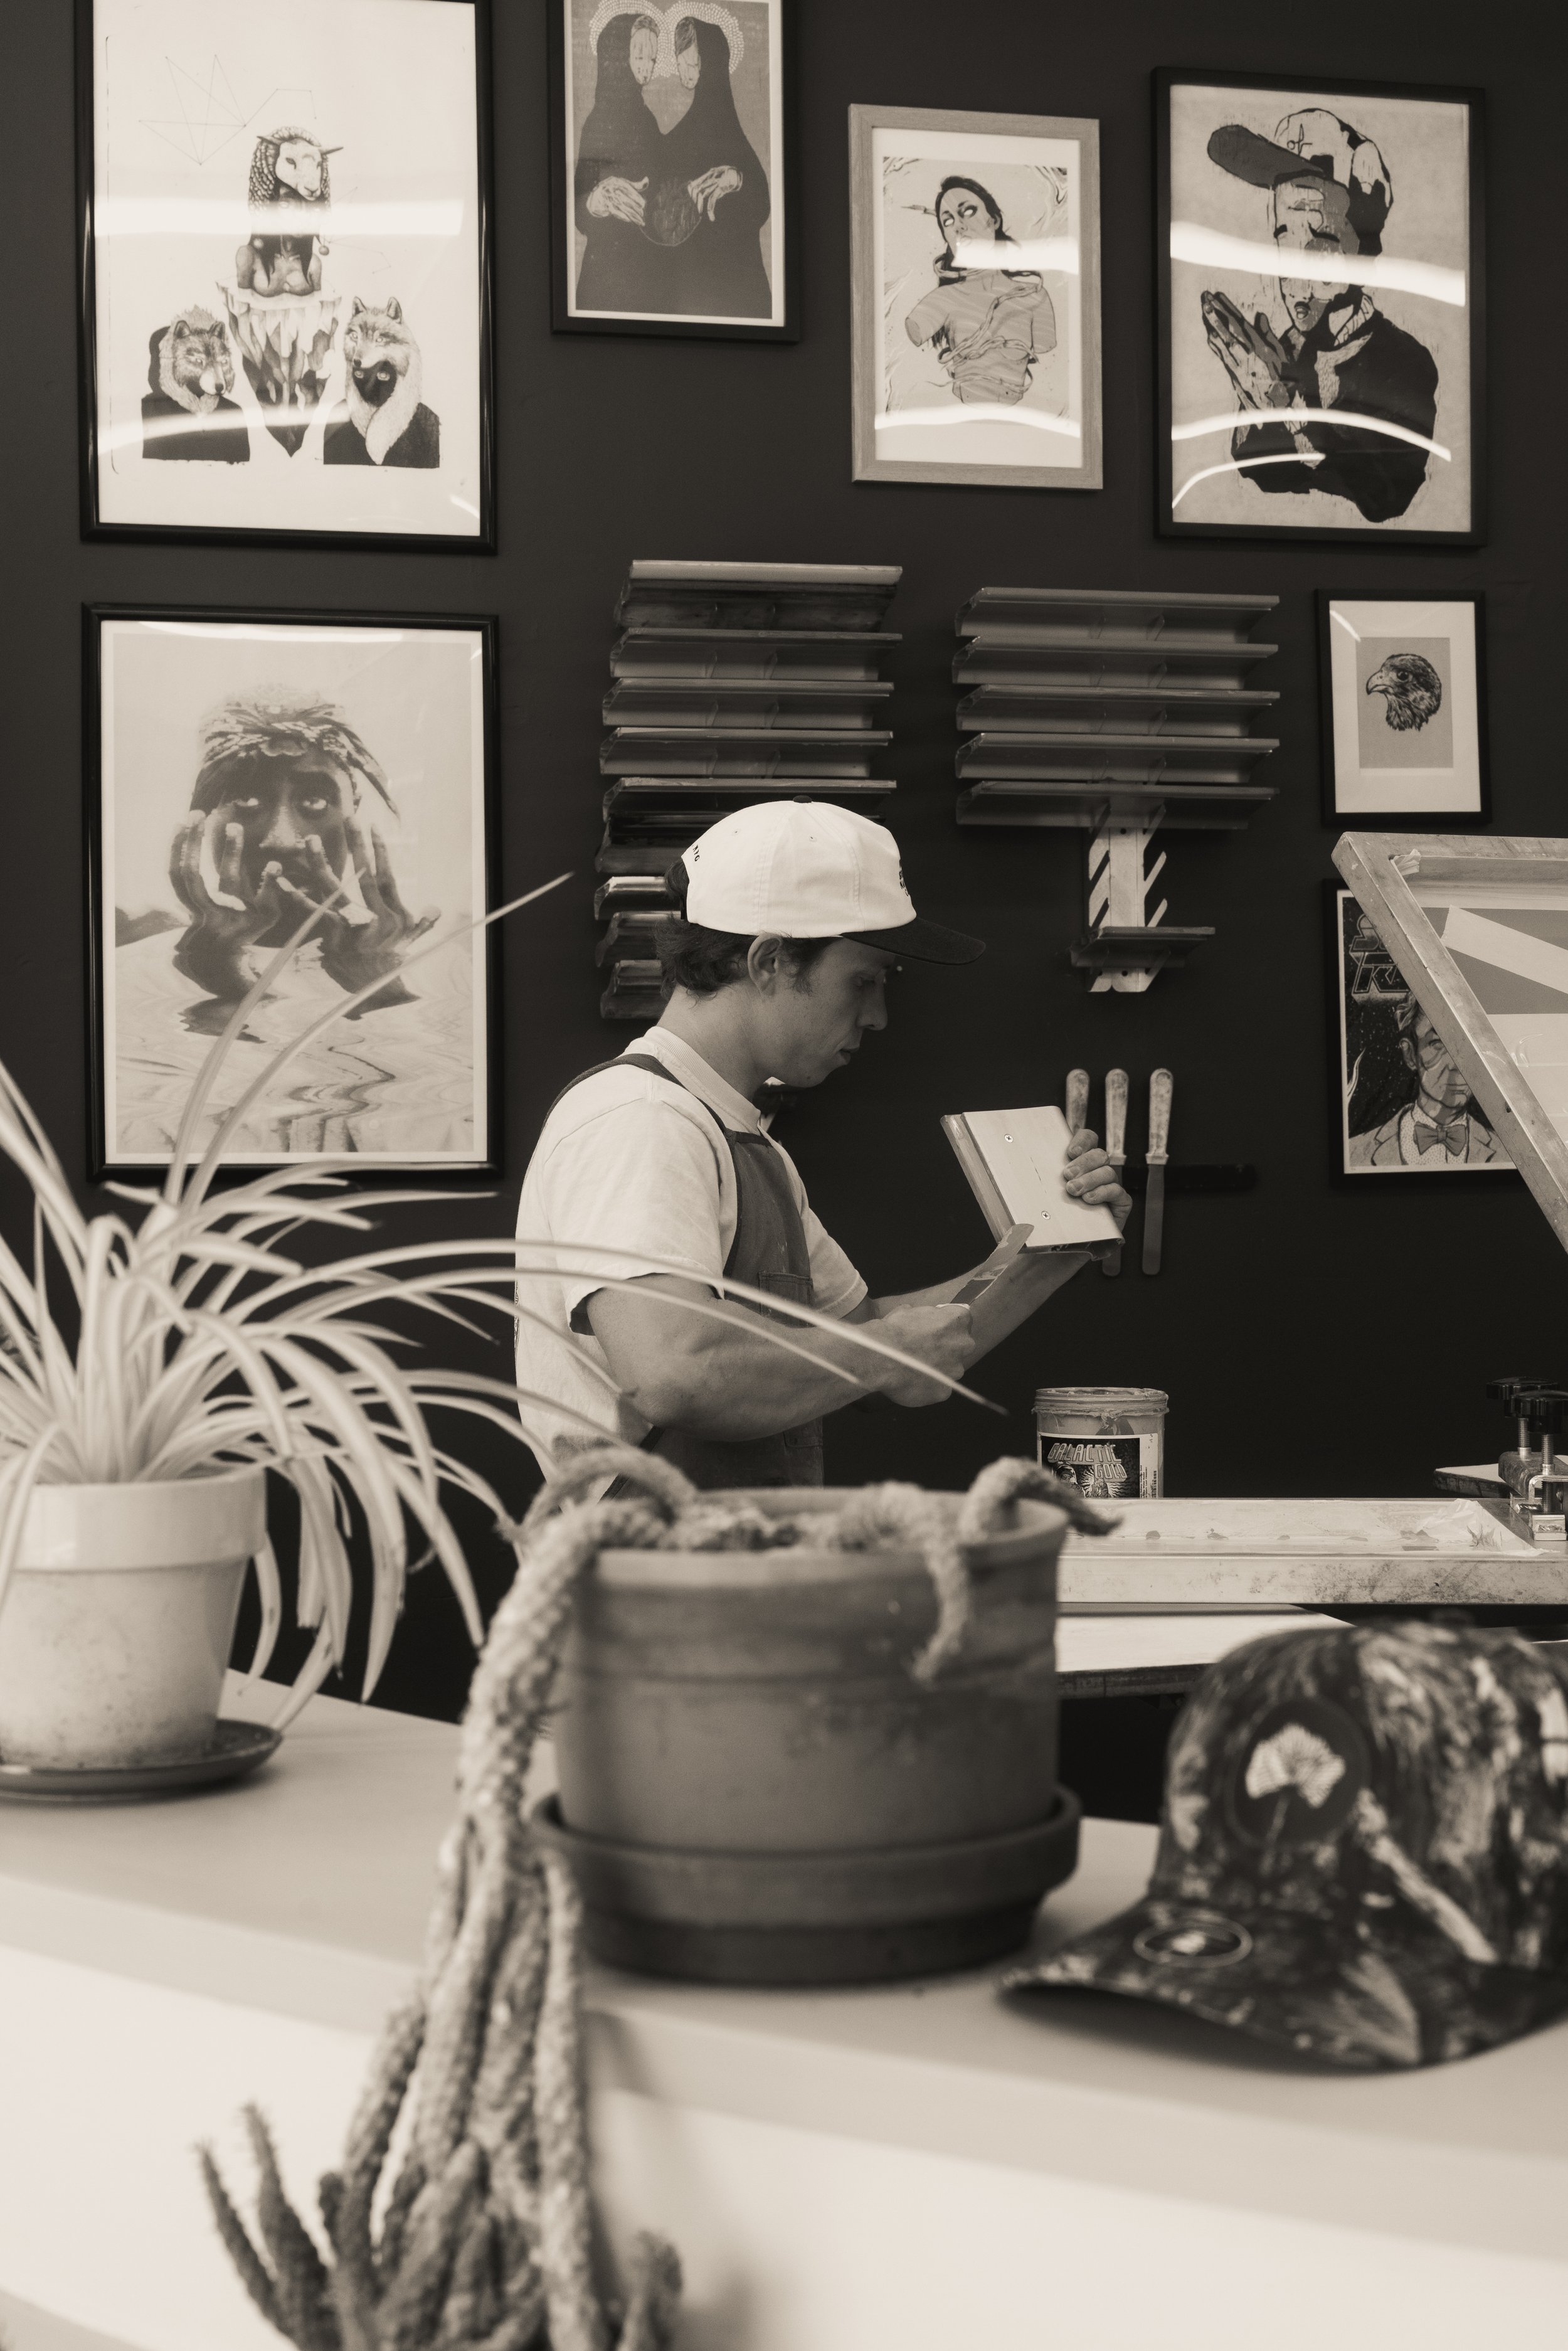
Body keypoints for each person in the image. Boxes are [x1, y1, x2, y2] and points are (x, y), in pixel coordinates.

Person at [514, 800, 1131, 1489]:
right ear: (770, 960)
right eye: (862, 981)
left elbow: (896, 1360)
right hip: (651, 1583)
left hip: (739, 1567)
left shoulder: (747, 1143)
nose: (878, 1016)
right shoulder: (641, 1118)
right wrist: (880, 1350)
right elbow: (670, 1375)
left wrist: (1061, 1248)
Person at [1200, 108, 1439, 525]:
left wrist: (1287, 410)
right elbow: (1256, 473)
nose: (1295, 267)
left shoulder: (1404, 362)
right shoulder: (1280, 352)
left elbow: (1385, 498)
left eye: (1320, 236)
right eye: (1283, 237)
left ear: (1363, 245)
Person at [166, 689, 437, 1022]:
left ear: (353, 811)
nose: (282, 842)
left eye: (315, 802)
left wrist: (380, 987)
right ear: (205, 818)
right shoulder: (137, 974)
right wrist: (219, 975)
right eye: (248, 800)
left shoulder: (444, 969)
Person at [902, 176, 1057, 407]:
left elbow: (1046, 345)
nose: (959, 227)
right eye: (948, 222)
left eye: (968, 212)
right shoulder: (942, 301)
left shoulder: (1035, 297)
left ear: (994, 220)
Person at [657, 16, 771, 318]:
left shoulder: (734, 139)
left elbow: (762, 206)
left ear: (713, 64)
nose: (686, 72)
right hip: (690, 288)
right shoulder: (673, 140)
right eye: (681, 63)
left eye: (693, 63)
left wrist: (736, 179)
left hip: (737, 288)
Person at [573, 12, 667, 313]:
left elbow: (660, 188)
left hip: (646, 266)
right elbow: (577, 208)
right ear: (616, 55)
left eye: (652, 60)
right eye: (639, 55)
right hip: (605, 273)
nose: (646, 69)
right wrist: (598, 200)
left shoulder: (649, 123)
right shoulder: (596, 122)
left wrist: (650, 200)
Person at [1348, 998, 1500, 1167]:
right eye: (1437, 1044)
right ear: (1410, 1054)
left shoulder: (1507, 1155)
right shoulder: (1355, 1153)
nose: (1456, 1066)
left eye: (1470, 1045)